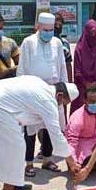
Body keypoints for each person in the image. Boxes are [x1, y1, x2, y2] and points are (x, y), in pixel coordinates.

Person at [0, 76, 79, 190]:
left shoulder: (41, 86)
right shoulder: (48, 100)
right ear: (60, 95)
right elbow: (56, 135)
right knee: (15, 148)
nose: (61, 106)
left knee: (15, 147)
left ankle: (15, 182)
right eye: (63, 103)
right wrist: (72, 163)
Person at [17, 12, 68, 176]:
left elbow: (62, 66)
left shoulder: (57, 43)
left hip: (52, 90)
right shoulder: (28, 42)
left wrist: (63, 89)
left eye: (50, 29)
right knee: (30, 128)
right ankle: (29, 163)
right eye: (44, 29)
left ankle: (47, 159)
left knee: (50, 126)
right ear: (38, 27)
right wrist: (21, 92)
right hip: (32, 91)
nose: (48, 32)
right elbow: (22, 67)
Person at [73, 20, 96, 113]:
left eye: (95, 33)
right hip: (82, 88)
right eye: (90, 33)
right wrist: (86, 83)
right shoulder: (79, 49)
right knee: (82, 114)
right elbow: (77, 69)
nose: (93, 36)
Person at [53, 13, 74, 83]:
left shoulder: (65, 43)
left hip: (62, 81)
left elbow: (68, 65)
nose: (58, 27)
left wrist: (70, 84)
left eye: (60, 25)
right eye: (55, 25)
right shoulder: (45, 42)